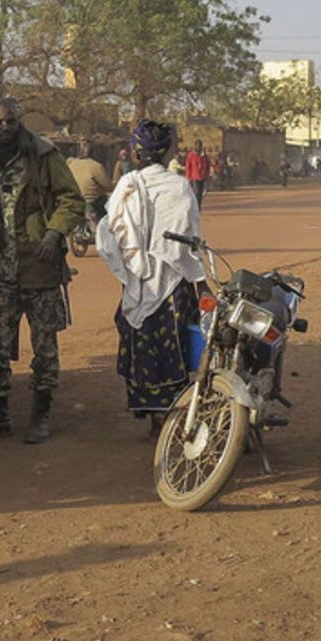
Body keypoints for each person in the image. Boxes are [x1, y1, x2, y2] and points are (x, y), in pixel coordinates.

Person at [0, 98, 84, 444]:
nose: (5, 128)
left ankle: (40, 415)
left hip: (38, 266)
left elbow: (71, 198)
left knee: (44, 347)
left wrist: (54, 232)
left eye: (11, 122)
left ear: (20, 121)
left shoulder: (42, 154)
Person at [96, 119, 206, 428]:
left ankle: (152, 412)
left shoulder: (127, 186)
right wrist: (202, 285)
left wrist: (133, 268)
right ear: (169, 150)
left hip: (138, 279)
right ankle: (170, 413)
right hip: (174, 282)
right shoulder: (180, 187)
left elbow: (110, 235)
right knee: (174, 343)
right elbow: (190, 242)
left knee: (140, 340)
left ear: (134, 153)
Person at [67, 141, 111, 219]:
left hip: (73, 201)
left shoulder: (71, 164)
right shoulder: (96, 166)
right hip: (90, 203)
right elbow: (107, 186)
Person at [185, 139, 211, 207]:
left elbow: (208, 166)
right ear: (195, 146)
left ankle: (198, 207)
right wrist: (188, 176)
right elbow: (188, 166)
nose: (199, 147)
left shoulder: (204, 155)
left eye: (200, 145)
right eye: (197, 145)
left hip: (203, 177)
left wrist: (207, 175)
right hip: (195, 177)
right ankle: (196, 207)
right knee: (196, 193)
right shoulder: (191, 155)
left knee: (200, 194)